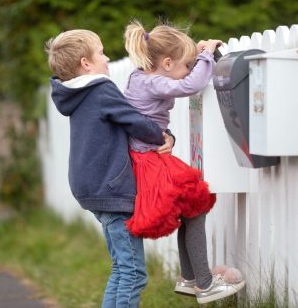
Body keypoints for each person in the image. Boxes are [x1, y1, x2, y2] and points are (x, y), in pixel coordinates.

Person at [45, 29, 175, 308]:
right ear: (85, 63)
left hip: (91, 187)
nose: (106, 58)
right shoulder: (100, 89)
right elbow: (133, 120)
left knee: (121, 269)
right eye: (101, 52)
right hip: (111, 188)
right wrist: (162, 135)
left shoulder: (76, 95)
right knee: (134, 273)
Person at [123, 20, 245, 304]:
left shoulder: (138, 77)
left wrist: (168, 135)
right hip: (150, 160)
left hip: (149, 154)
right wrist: (207, 53)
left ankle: (191, 278)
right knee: (196, 204)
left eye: (191, 65)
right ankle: (205, 284)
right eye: (185, 65)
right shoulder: (153, 82)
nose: (188, 70)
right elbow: (193, 84)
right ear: (166, 63)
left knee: (189, 210)